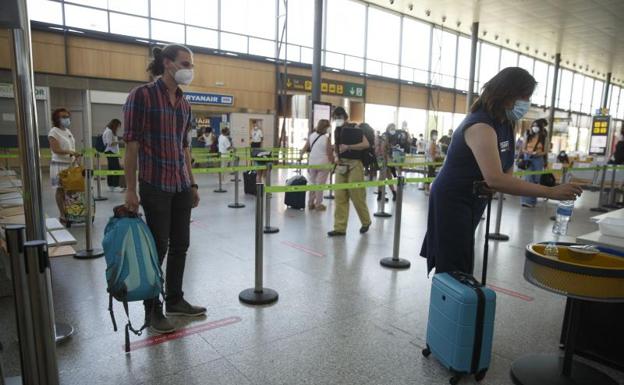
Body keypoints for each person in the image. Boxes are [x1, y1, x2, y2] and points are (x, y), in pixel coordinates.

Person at [420, 67, 582, 275]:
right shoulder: (480, 126)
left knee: (462, 259)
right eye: (524, 96)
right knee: (452, 263)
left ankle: (460, 301)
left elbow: (506, 171)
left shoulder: (506, 123)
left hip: (474, 197)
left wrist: (496, 183)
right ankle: (450, 303)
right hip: (452, 198)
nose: (526, 102)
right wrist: (551, 192)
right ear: (506, 94)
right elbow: (496, 179)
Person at [123, 44, 205, 335]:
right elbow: (131, 145)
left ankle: (174, 299)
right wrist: (130, 190)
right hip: (155, 184)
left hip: (181, 183)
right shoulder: (141, 96)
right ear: (167, 63)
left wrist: (192, 183)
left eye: (191, 64)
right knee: (157, 249)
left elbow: (185, 147)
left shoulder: (184, 103)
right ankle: (152, 309)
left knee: (181, 246)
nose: (189, 69)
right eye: (185, 63)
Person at [328, 107, 372, 237]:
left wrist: (349, 147)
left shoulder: (355, 128)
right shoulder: (336, 130)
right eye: (335, 118)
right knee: (340, 196)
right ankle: (340, 228)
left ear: (345, 117)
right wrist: (336, 157)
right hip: (341, 164)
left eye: (339, 117)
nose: (337, 120)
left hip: (355, 164)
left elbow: (366, 144)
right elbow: (336, 148)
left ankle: (366, 221)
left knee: (357, 195)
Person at [48, 108, 80, 226]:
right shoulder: (54, 132)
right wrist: (70, 152)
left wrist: (74, 156)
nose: (66, 118)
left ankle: (72, 212)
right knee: (60, 189)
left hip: (71, 164)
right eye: (63, 116)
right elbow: (56, 150)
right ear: (56, 118)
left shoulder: (68, 131)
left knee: (72, 189)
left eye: (67, 116)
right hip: (59, 165)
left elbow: (71, 146)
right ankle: (62, 214)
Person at [300, 119, 334, 210]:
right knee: (320, 184)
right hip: (323, 163)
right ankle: (318, 204)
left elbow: (305, 148)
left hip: (312, 162)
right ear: (326, 128)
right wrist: (332, 164)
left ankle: (310, 203)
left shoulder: (311, 136)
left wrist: (301, 156)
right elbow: (329, 153)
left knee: (312, 182)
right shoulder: (326, 139)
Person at [520, 118, 548, 208]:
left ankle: (532, 201)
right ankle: (526, 201)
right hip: (528, 158)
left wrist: (539, 153)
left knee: (536, 180)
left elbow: (546, 150)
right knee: (528, 179)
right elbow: (523, 148)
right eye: (533, 125)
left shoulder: (544, 137)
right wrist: (528, 152)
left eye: (537, 126)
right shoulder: (528, 134)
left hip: (538, 159)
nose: (535, 127)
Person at [378, 123, 399, 202]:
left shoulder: (390, 137)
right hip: (383, 158)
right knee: (382, 177)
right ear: (388, 128)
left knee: (388, 176)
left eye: (394, 128)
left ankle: (393, 193)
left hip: (386, 158)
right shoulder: (385, 136)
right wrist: (385, 159)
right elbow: (383, 148)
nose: (393, 130)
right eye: (391, 128)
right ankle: (381, 195)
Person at [102, 118, 124, 192]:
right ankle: (115, 185)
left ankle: (111, 185)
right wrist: (119, 141)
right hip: (110, 152)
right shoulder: (109, 132)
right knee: (116, 169)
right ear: (114, 125)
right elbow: (110, 143)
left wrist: (117, 154)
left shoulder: (109, 131)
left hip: (112, 152)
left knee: (111, 169)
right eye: (118, 126)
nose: (118, 128)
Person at [424, 129, 442, 194]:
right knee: (430, 175)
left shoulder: (434, 143)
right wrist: (434, 162)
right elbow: (432, 153)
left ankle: (429, 188)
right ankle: (426, 189)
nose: (436, 136)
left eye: (436, 134)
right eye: (434, 134)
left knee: (431, 174)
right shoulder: (431, 143)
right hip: (431, 161)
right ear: (431, 135)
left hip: (432, 161)